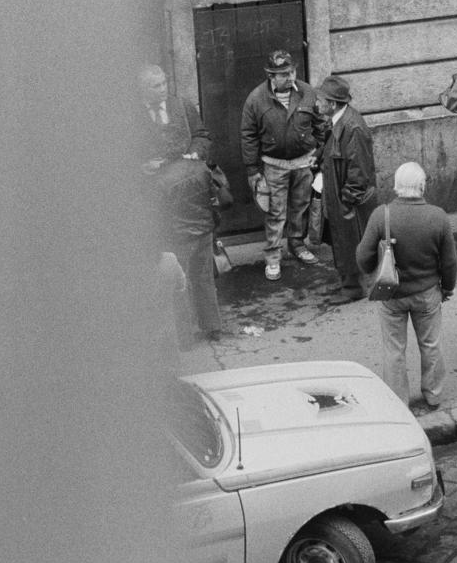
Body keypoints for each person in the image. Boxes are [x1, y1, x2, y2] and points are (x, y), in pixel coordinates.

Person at [356, 162, 456, 413]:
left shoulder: (382, 215)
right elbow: (450, 262)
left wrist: (374, 267)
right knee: (431, 344)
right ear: (422, 186)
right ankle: (433, 395)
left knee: (394, 350)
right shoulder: (438, 216)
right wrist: (448, 287)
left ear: (396, 187)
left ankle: (398, 401)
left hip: (392, 294)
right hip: (427, 293)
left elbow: (362, 258)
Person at [239, 49, 326, 282]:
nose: (290, 77)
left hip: (303, 162)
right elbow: (248, 135)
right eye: (283, 74)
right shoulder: (256, 99)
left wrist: (319, 153)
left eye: (292, 72)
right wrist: (252, 169)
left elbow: (321, 124)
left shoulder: (307, 92)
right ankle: (273, 257)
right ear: (271, 76)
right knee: (275, 213)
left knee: (301, 207)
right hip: (273, 165)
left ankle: (297, 244)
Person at [147, 149, 225, 344]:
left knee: (180, 286)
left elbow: (159, 214)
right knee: (204, 279)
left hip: (179, 238)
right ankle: (213, 326)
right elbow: (213, 196)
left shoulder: (161, 179)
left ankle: (185, 335)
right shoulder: (201, 168)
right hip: (204, 232)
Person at [315, 75, 378, 305]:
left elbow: (359, 170)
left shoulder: (352, 127)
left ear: (332, 104)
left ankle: (354, 287)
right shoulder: (338, 122)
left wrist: (346, 200)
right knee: (343, 241)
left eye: (321, 100)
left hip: (347, 199)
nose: (317, 104)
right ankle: (349, 283)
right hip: (339, 194)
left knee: (349, 241)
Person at [137, 64, 212, 171]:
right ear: (143, 89)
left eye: (164, 83)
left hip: (185, 173)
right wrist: (142, 166)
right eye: (156, 86)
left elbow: (201, 136)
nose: (163, 89)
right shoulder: (134, 117)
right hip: (154, 180)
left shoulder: (183, 106)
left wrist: (194, 153)